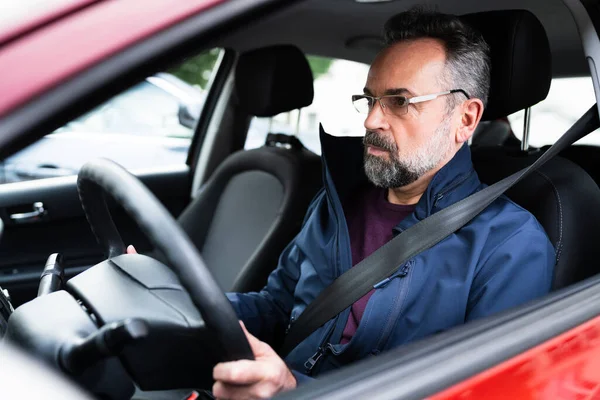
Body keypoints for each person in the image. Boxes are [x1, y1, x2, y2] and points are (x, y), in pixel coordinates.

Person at [131, 8, 555, 399]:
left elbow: (481, 391)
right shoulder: (337, 201)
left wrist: (294, 390)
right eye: (370, 99)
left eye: (400, 101)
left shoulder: (509, 246)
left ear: (465, 119)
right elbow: (277, 308)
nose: (371, 120)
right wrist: (176, 297)